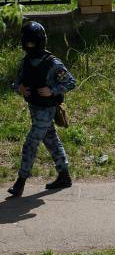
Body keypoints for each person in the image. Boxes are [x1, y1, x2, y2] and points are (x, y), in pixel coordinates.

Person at [7, 21, 76, 198]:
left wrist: (52, 90)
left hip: (47, 110)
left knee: (30, 143)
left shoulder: (53, 63)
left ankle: (20, 182)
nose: (29, 46)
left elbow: (70, 82)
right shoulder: (26, 62)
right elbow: (17, 82)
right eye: (26, 42)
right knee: (51, 140)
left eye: (32, 42)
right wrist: (20, 88)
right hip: (34, 109)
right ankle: (64, 175)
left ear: (39, 41)